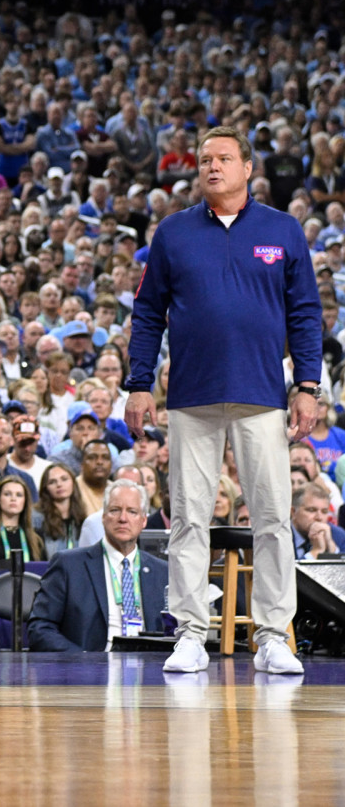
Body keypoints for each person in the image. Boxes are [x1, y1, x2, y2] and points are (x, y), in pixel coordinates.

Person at [127, 125, 320, 676]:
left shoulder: (283, 230)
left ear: (247, 168)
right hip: (192, 395)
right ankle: (189, 632)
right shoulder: (173, 232)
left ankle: (273, 635)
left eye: (224, 158)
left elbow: (306, 312)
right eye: (205, 159)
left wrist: (307, 386)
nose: (212, 167)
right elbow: (146, 313)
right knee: (188, 517)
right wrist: (140, 382)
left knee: (272, 518)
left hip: (263, 394)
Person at [27, 480, 168, 652]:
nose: (123, 519)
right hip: (90, 670)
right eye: (115, 510)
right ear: (103, 517)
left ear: (144, 520)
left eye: (132, 511)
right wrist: (83, 661)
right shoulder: (69, 565)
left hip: (148, 670)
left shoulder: (163, 572)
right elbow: (40, 628)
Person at [290, 483, 345, 559]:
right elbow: (287, 570)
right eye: (312, 510)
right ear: (293, 512)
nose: (319, 517)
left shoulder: (338, 535)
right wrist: (315, 552)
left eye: (324, 511)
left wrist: (332, 550)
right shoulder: (279, 537)